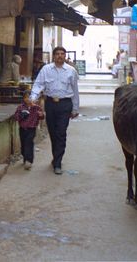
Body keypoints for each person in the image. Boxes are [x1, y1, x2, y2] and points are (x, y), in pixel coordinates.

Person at [30, 46, 80, 175]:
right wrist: (33, 98)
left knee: (61, 133)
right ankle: (56, 157)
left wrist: (75, 108)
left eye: (62, 54)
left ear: (65, 56)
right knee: (53, 133)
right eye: (57, 54)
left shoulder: (71, 71)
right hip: (50, 104)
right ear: (53, 56)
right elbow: (38, 84)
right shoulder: (46, 69)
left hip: (65, 104)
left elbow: (75, 90)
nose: (60, 56)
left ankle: (58, 163)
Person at [14, 90, 44, 170]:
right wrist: (20, 115)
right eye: (26, 97)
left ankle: (29, 161)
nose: (28, 99)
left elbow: (41, 116)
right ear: (23, 99)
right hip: (22, 128)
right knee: (23, 145)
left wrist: (41, 115)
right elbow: (16, 117)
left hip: (32, 128)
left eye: (30, 97)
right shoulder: (20, 107)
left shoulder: (37, 108)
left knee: (29, 143)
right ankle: (25, 157)